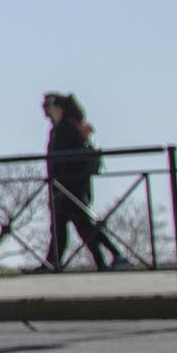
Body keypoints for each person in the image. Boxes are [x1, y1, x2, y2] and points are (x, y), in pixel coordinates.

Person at [41, 92, 123, 271]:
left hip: (71, 186)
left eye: (47, 106)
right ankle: (53, 262)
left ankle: (116, 255)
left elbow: (64, 161)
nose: (45, 111)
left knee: (82, 226)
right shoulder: (59, 129)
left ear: (58, 107)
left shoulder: (67, 129)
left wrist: (58, 186)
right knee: (61, 226)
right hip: (65, 185)